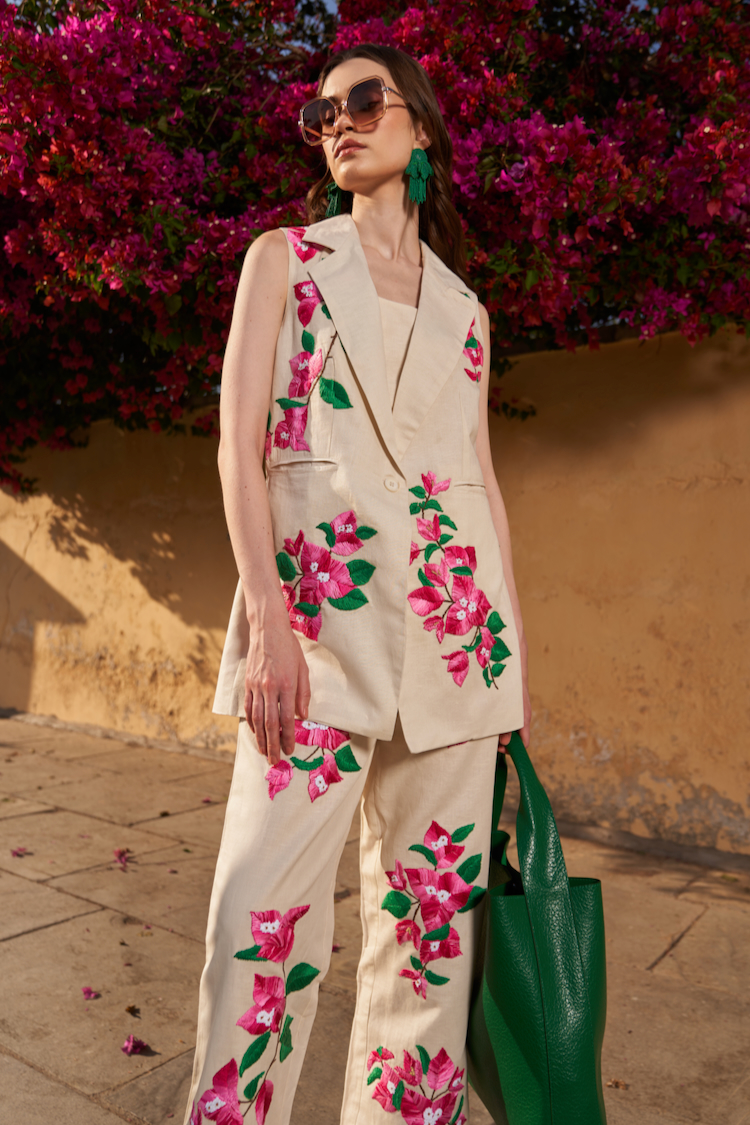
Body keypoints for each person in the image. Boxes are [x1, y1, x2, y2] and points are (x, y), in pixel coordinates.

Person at [184, 41, 531, 1125]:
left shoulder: (467, 312)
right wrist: (270, 629)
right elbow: (237, 449)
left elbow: (479, 482)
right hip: (316, 638)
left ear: (419, 126)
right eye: (321, 110)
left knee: (429, 941)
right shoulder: (283, 259)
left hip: (456, 651)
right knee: (259, 914)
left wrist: (510, 665)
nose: (338, 120)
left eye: (365, 100)